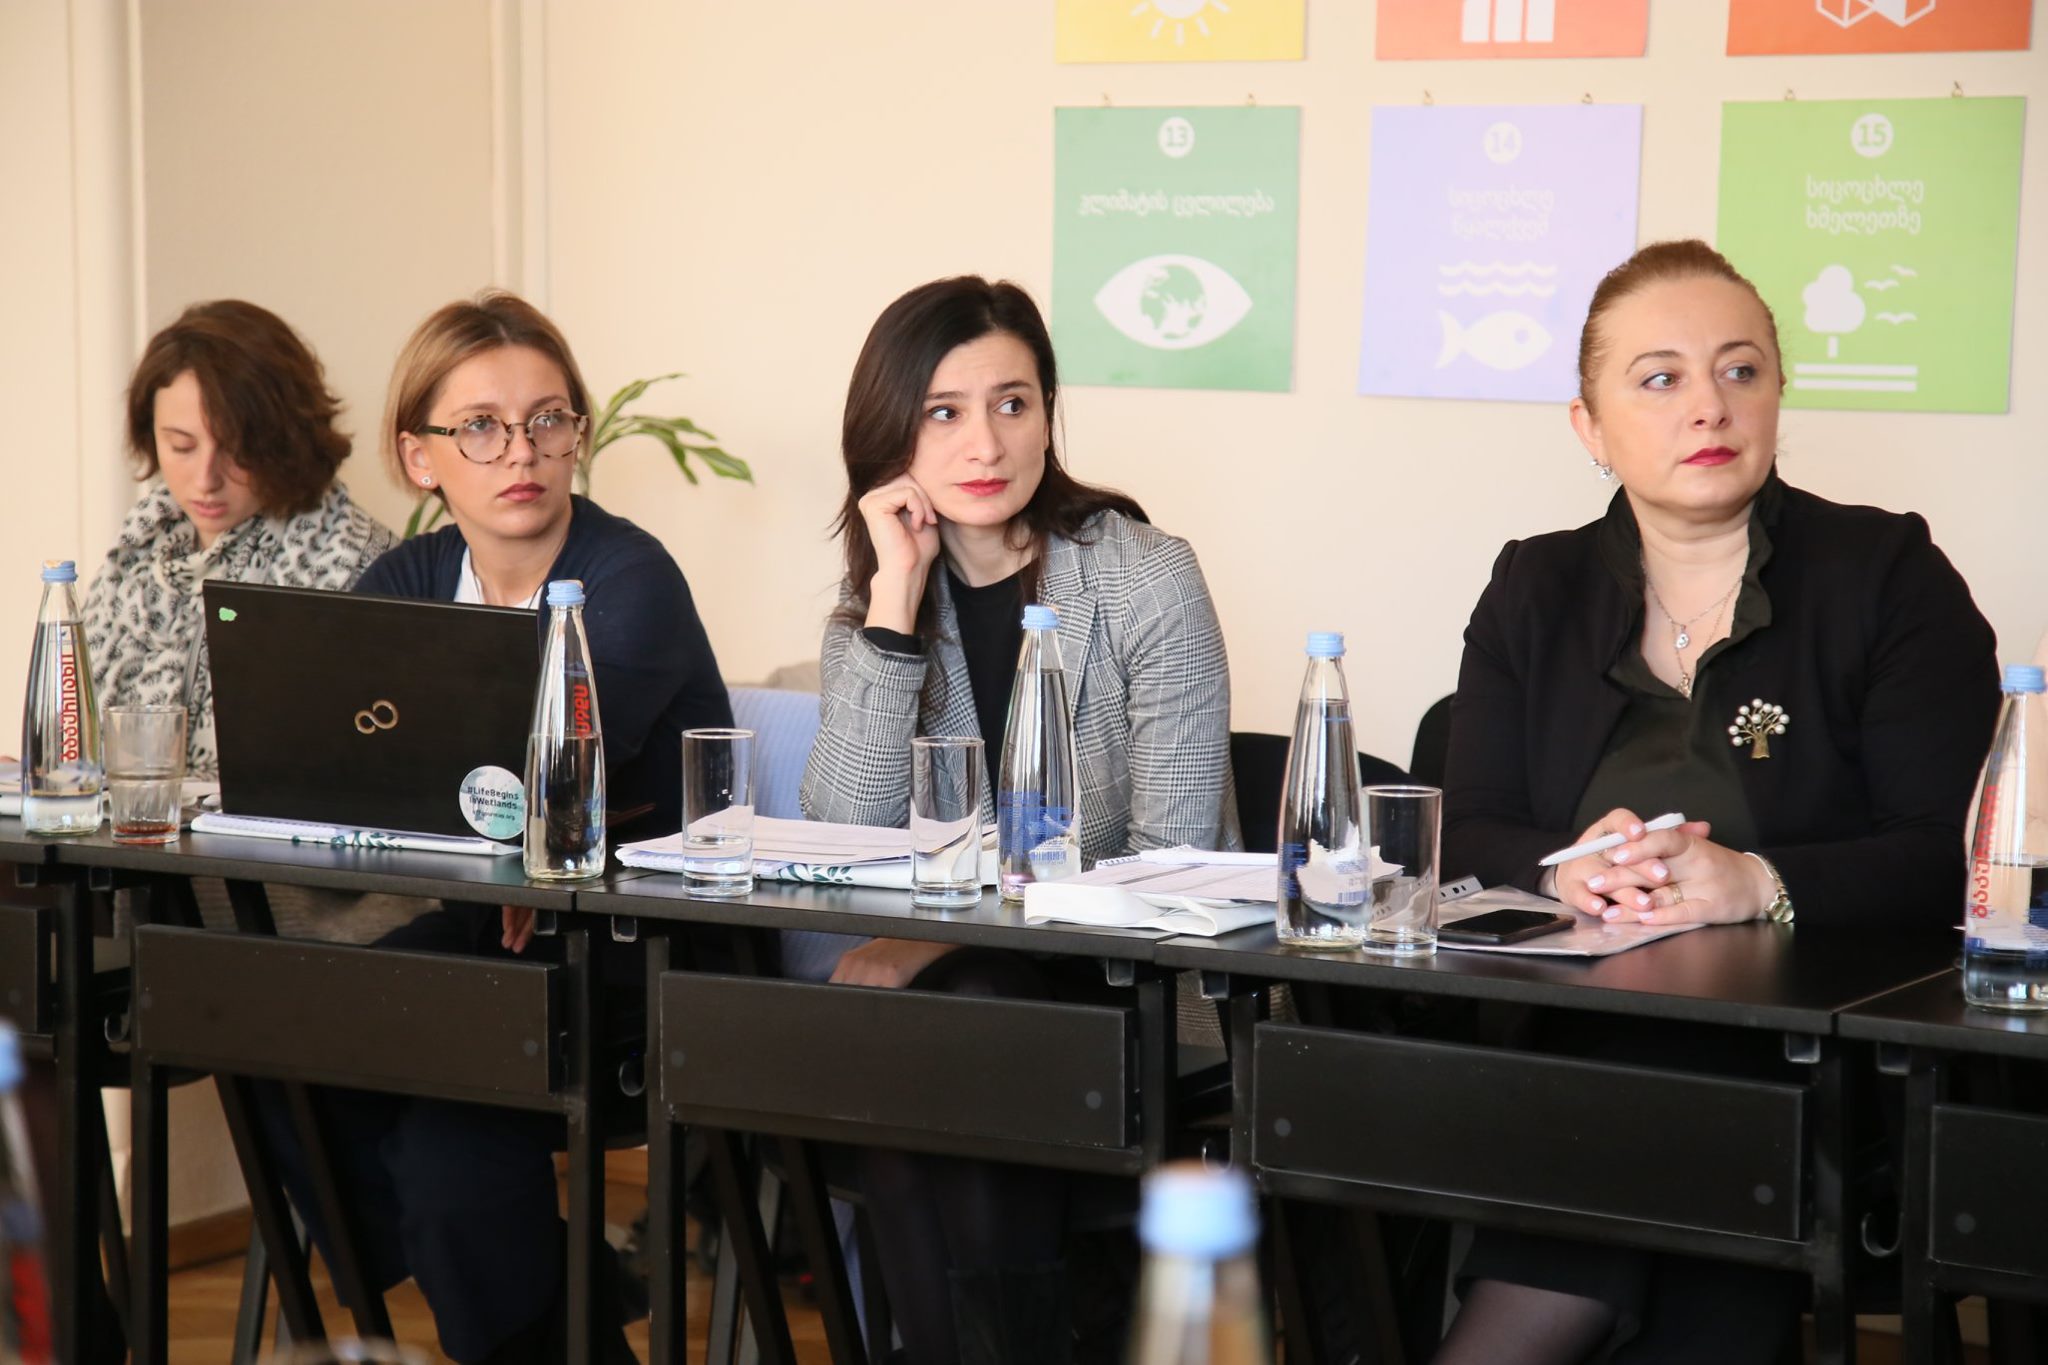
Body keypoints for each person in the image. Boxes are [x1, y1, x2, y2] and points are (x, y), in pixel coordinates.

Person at [1435, 239, 1999, 1364]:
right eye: (1659, 378)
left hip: (1814, 1047)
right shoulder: (1533, 587)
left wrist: (1756, 882)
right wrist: (1561, 870)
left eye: (1740, 370)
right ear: (1589, 427)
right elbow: (1468, 825)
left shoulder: (1886, 574)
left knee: (1693, 1109)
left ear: (1777, 393)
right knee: (1660, 1148)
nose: (1709, 405)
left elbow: (1952, 853)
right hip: (1564, 1038)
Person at [267, 291, 731, 1365]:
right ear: (419, 456)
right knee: (273, 1033)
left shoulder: (630, 578)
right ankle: (559, 1280)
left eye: (546, 420)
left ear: (576, 436)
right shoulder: (409, 581)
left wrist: (485, 817)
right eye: (479, 425)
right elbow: (337, 759)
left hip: (639, 953)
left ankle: (521, 1277)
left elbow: (547, 773)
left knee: (450, 1164)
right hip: (493, 937)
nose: (520, 450)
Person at [800, 275, 1237, 1364]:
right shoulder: (874, 613)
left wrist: (933, 937)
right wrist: (895, 604)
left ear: (1048, 413)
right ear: (889, 434)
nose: (985, 442)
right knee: (943, 1039)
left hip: (1129, 995)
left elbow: (1171, 857)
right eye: (942, 412)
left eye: (1012, 403)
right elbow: (845, 842)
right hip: (954, 1014)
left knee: (961, 1017)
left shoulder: (1144, 577)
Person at [85, 299, 395, 776]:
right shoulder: (136, 549)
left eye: (235, 449)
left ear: (286, 437)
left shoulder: (363, 564)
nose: (205, 479)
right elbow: (72, 740)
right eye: (181, 446)